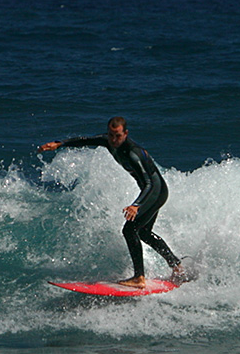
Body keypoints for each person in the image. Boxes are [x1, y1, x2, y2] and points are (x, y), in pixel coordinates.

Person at [39, 117, 183, 289]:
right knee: (143, 233)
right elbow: (85, 140)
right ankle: (176, 266)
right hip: (152, 192)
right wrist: (60, 143)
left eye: (118, 136)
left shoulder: (133, 153)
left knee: (130, 230)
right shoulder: (108, 141)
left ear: (126, 134)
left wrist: (136, 205)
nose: (114, 140)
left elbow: (149, 184)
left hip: (155, 193)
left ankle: (139, 277)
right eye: (111, 135)